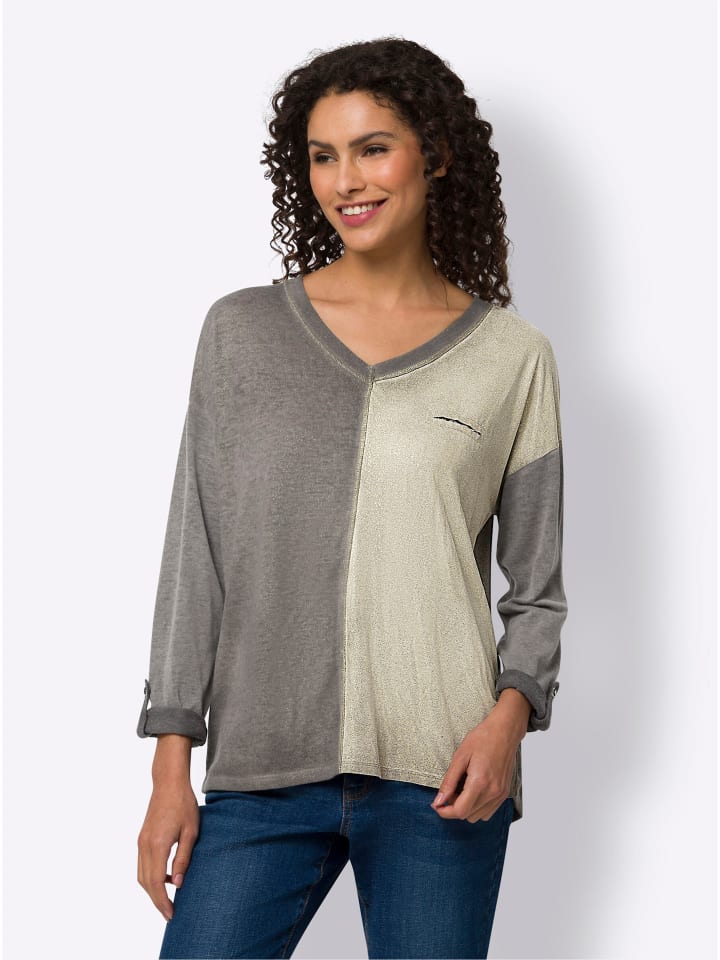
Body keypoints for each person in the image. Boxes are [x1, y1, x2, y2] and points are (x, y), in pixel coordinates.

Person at [135, 36, 567, 960]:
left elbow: (536, 592)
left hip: (443, 776)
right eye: (324, 156)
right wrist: (173, 760)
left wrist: (509, 721)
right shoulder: (242, 333)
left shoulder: (511, 357)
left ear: (434, 155)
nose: (346, 180)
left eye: (373, 148)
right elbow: (195, 555)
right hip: (261, 772)